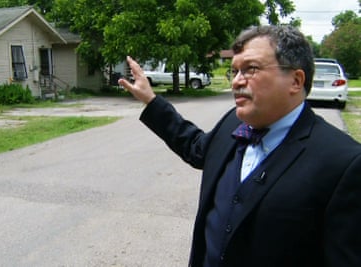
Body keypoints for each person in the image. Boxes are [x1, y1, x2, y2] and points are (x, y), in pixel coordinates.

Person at [118, 25, 361, 267]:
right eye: (234, 71)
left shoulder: (343, 164)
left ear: (296, 81)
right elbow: (195, 146)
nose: (236, 82)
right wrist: (151, 100)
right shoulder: (232, 122)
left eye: (250, 69)